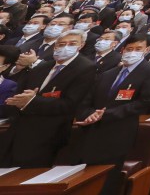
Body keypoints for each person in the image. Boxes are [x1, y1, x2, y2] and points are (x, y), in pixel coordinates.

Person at [74, 34, 150, 195]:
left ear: (147, 50)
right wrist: (88, 115)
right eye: (129, 49)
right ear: (122, 50)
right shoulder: (108, 74)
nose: (132, 52)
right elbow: (87, 101)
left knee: (107, 181)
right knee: (85, 180)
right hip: (91, 131)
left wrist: (106, 114)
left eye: (138, 49)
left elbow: (146, 102)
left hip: (119, 132)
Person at [0, 30, 97, 167]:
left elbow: (70, 103)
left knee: (28, 177)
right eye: (61, 44)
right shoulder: (42, 67)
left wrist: (32, 101)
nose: (65, 47)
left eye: (71, 43)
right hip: (18, 129)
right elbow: (21, 93)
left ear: (81, 45)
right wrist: (18, 102)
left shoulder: (85, 67)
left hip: (47, 133)